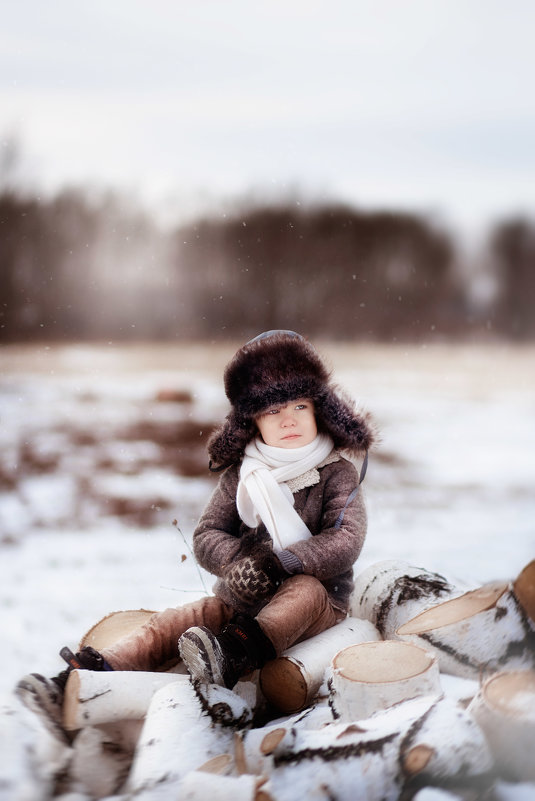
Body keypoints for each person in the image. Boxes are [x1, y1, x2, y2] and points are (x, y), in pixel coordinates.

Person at [16, 330, 375, 739]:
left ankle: (231, 653)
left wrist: (281, 562)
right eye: (273, 411)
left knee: (304, 590)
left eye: (299, 405)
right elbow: (207, 533)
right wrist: (237, 561)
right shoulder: (244, 474)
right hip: (244, 599)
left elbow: (346, 539)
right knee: (181, 619)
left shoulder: (336, 472)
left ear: (319, 409)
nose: (289, 419)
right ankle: (89, 673)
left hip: (319, 608)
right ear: (253, 421)